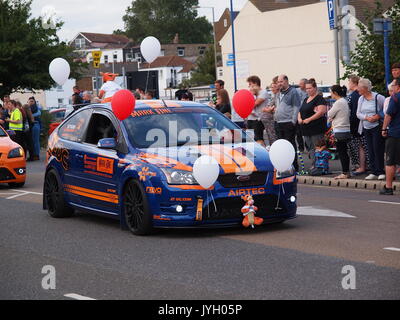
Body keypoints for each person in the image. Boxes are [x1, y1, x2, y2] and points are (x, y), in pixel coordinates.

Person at [356, 78, 386, 180]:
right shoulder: (361, 99)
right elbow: (358, 113)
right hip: (366, 127)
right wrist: (366, 118)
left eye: (359, 88)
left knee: (378, 149)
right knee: (370, 149)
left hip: (377, 126)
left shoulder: (378, 97)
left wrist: (378, 116)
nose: (358, 90)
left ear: (365, 88)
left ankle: (380, 171)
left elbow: (385, 109)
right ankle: (373, 171)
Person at [298, 78, 327, 163]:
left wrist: (309, 119)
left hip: (316, 128)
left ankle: (320, 165)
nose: (308, 90)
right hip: (306, 129)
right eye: (306, 88)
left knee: (318, 147)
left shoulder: (319, 99)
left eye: (310, 88)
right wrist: (299, 118)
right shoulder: (305, 99)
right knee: (310, 148)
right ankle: (314, 164)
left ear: (315, 88)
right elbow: (300, 110)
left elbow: (321, 111)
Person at [275, 75, 301, 171]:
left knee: (290, 145)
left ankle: (294, 166)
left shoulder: (293, 92)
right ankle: (285, 165)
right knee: (282, 147)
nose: (279, 84)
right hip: (279, 123)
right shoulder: (279, 93)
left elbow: (296, 106)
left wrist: (293, 121)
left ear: (286, 81)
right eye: (278, 82)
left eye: (281, 81)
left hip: (288, 123)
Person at [380, 77, 400, 195]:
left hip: (395, 133)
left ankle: (388, 187)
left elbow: (388, 115)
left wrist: (384, 128)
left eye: (393, 86)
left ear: (398, 87)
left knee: (390, 160)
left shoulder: (395, 98)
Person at [347, 75, 369, 176]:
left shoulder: (355, 96)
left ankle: (362, 166)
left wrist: (352, 126)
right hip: (357, 125)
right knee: (361, 146)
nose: (348, 84)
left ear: (354, 83)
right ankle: (363, 165)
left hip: (357, 126)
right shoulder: (354, 95)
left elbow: (354, 112)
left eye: (349, 82)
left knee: (360, 146)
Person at [328, 85, 351, 179]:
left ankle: (344, 172)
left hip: (340, 129)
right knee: (344, 151)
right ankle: (346, 172)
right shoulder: (344, 101)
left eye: (331, 92)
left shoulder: (338, 102)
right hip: (345, 129)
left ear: (335, 93)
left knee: (342, 152)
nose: (330, 94)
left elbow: (330, 114)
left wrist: (331, 117)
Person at [246, 76, 269, 146]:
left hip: (258, 119)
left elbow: (254, 104)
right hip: (250, 118)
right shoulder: (253, 94)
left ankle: (263, 153)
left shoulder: (263, 92)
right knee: (250, 139)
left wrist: (251, 95)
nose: (249, 86)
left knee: (258, 138)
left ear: (255, 84)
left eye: (250, 84)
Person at [261, 81, 278, 146]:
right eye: (272, 87)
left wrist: (267, 109)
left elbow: (271, 109)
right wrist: (266, 109)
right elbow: (266, 108)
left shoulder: (277, 96)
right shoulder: (272, 96)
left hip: (272, 120)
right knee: (270, 137)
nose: (273, 89)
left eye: (274, 87)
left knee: (274, 136)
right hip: (268, 122)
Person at [296, 78, 307, 152]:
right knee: (298, 132)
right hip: (297, 113)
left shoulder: (308, 92)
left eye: (301, 84)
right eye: (299, 83)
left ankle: (308, 147)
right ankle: (301, 147)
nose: (299, 85)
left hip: (306, 114)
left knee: (306, 132)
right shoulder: (296, 91)